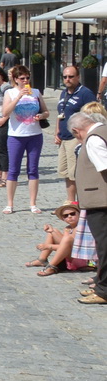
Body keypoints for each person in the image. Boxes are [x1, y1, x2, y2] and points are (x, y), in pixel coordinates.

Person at [0, 65, 47, 214]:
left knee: (33, 169)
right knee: (13, 169)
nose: (25, 81)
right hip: (16, 135)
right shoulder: (10, 92)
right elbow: (5, 112)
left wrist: (41, 116)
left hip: (34, 134)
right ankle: (10, 204)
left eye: (27, 78)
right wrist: (19, 96)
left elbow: (46, 111)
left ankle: (33, 203)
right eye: (22, 78)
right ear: (15, 79)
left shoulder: (36, 92)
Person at [72, 108, 107, 306]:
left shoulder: (93, 139)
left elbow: (104, 166)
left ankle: (103, 291)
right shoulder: (104, 130)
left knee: (104, 247)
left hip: (100, 200)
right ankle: (101, 285)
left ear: (78, 131)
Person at [57, 65, 97, 202]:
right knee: (66, 173)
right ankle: (70, 202)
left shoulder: (85, 93)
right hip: (64, 138)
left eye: (71, 76)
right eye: (65, 77)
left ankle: (81, 203)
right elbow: (60, 114)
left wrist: (83, 138)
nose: (67, 79)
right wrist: (58, 131)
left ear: (78, 77)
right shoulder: (64, 93)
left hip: (76, 138)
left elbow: (94, 116)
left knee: (76, 173)